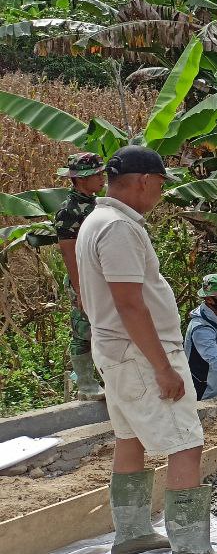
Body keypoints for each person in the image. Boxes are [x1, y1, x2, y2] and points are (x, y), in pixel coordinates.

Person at [76, 145, 217, 554]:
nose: (160, 193)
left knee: (130, 437)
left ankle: (131, 533)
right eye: (160, 184)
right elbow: (131, 305)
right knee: (185, 442)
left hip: (116, 352)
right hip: (139, 354)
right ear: (143, 181)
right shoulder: (118, 228)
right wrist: (163, 366)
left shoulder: (95, 221)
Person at [55, 152, 107, 400]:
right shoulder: (68, 211)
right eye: (96, 174)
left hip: (103, 275)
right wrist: (80, 290)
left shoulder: (99, 204)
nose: (101, 178)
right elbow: (68, 254)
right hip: (81, 277)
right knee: (83, 329)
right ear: (80, 179)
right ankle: (86, 384)